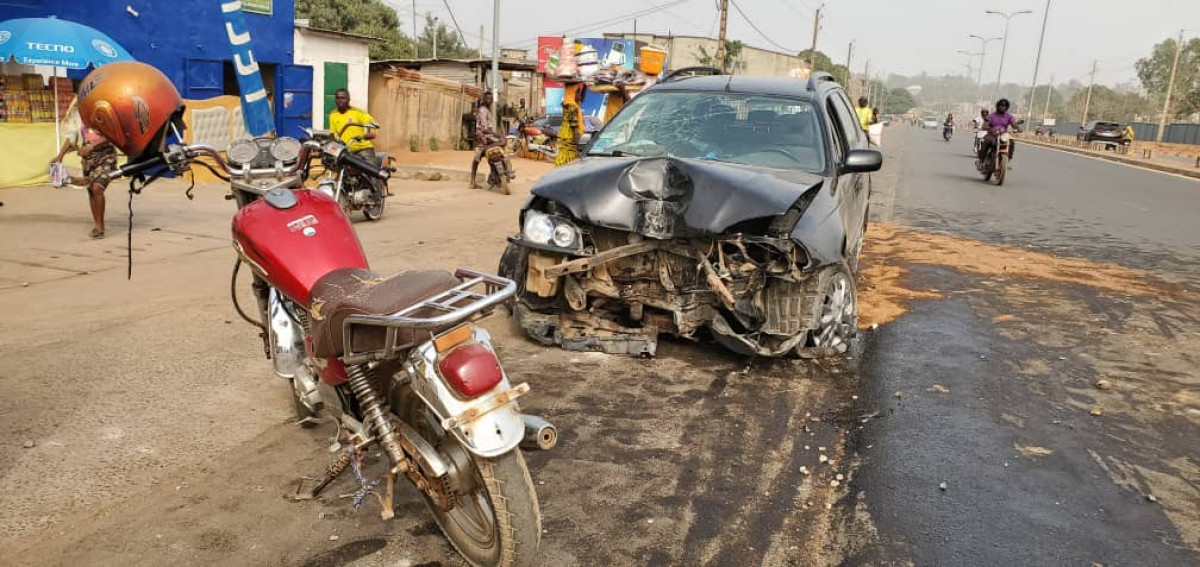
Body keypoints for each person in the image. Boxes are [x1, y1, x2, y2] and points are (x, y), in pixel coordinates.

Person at [51, 99, 118, 239]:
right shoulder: (78, 118)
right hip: (88, 160)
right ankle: (98, 224)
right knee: (91, 190)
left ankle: (99, 227)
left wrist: (91, 146)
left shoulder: (102, 112)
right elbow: (71, 138)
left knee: (98, 187)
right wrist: (60, 156)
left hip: (106, 156)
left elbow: (113, 134)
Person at [328, 88, 386, 197]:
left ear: (348, 99)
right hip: (346, 150)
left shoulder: (357, 113)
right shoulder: (333, 115)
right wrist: (330, 142)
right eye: (338, 98)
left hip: (363, 148)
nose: (340, 100)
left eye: (343, 98)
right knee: (339, 171)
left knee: (372, 171)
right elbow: (332, 133)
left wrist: (371, 134)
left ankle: (376, 199)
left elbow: (373, 124)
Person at [976, 98, 1022, 166]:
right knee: (986, 141)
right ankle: (981, 160)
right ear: (998, 106)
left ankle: (1007, 160)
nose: (1002, 107)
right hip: (992, 134)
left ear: (1007, 107)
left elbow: (1014, 124)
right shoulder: (991, 116)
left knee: (1011, 142)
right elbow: (985, 124)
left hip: (1003, 134)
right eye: (1001, 105)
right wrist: (987, 127)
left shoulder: (1009, 116)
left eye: (1004, 106)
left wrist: (1018, 128)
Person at [470, 91, 498, 188]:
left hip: (485, 137)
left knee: (479, 159)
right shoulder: (483, 110)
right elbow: (485, 128)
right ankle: (473, 181)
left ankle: (474, 181)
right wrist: (496, 135)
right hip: (483, 138)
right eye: (487, 98)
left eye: (490, 99)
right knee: (492, 154)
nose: (489, 100)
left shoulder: (487, 110)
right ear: (484, 99)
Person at [555, 82, 586, 167]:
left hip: (565, 137)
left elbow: (581, 99)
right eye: (578, 93)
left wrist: (585, 86)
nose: (579, 96)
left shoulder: (566, 104)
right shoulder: (572, 107)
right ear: (573, 93)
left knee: (563, 162)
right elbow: (574, 127)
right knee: (570, 164)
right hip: (571, 138)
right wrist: (579, 146)